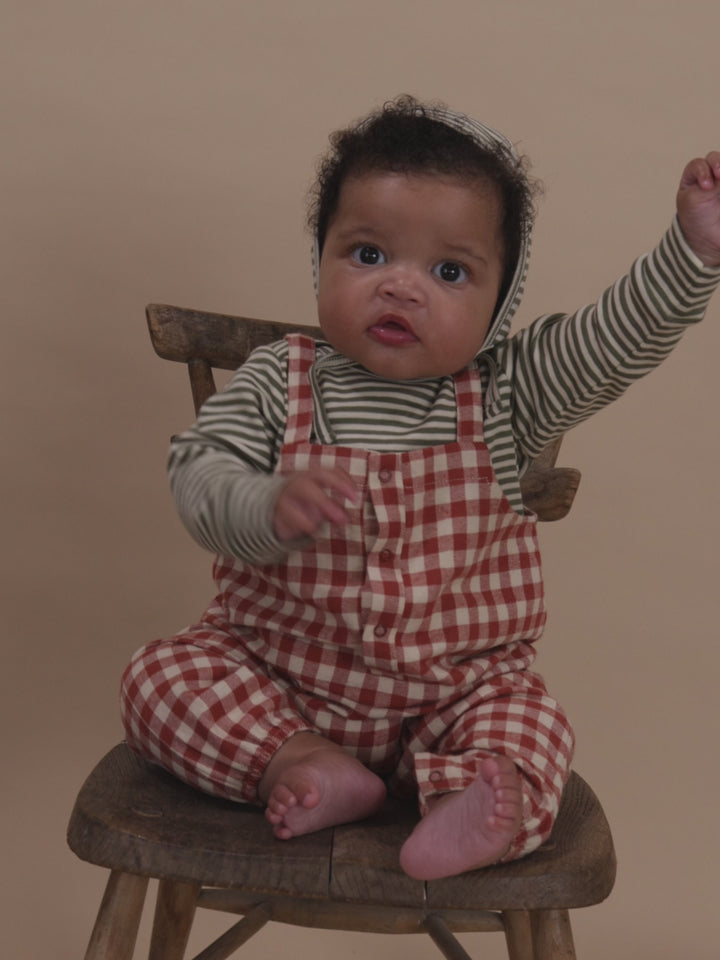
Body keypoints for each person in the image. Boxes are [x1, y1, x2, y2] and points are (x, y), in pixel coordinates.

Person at [120, 96, 720, 881]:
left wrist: (691, 251)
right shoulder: (280, 380)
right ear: (321, 256)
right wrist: (261, 505)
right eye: (367, 254)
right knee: (158, 680)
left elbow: (615, 338)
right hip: (277, 677)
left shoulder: (510, 395)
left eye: (448, 271)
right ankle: (300, 765)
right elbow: (199, 470)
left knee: (532, 725)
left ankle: (470, 805)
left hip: (453, 700)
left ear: (500, 301)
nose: (400, 288)